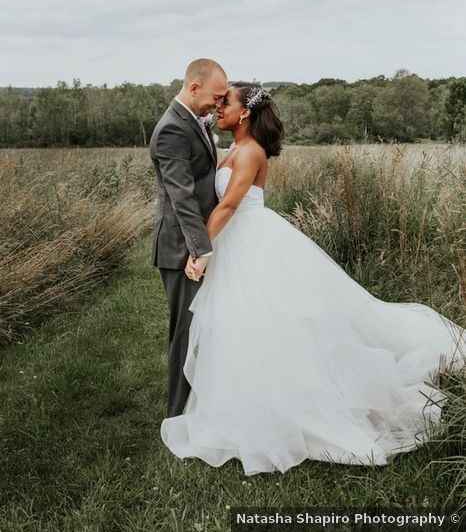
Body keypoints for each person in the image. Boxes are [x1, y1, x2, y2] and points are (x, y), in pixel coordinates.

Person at [160, 81, 466, 476]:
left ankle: (290, 406)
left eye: (226, 103)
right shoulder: (234, 147)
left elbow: (231, 204)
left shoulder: (250, 151)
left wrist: (200, 252)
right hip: (237, 244)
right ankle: (245, 400)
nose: (219, 109)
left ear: (246, 113)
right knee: (239, 326)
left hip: (252, 241)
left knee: (273, 322)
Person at [149, 58, 228, 417]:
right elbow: (181, 195)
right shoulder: (172, 129)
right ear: (194, 87)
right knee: (186, 332)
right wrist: (201, 250)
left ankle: (202, 404)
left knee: (202, 327)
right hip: (181, 248)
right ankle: (178, 416)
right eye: (215, 97)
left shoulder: (192, 120)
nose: (219, 104)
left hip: (193, 243)